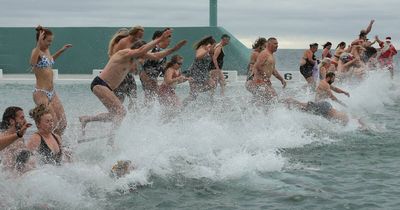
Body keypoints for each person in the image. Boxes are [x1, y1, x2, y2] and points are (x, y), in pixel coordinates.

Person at [79, 30, 173, 137]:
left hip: (118, 83)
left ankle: (87, 119)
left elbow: (153, 56)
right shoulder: (125, 51)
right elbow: (142, 54)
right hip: (107, 83)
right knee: (121, 112)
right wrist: (159, 39)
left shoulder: (133, 55)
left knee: (117, 113)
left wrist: (173, 49)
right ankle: (111, 138)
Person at [30, 26, 72, 136]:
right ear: (41, 39)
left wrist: (62, 50)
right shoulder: (36, 51)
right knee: (52, 124)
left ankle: (58, 144)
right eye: (48, 41)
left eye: (51, 41)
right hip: (41, 93)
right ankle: (49, 146)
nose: (50, 43)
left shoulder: (47, 51)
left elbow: (50, 60)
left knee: (63, 123)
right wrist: (38, 44)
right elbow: (32, 63)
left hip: (52, 93)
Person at [140, 29, 187, 105]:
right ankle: (145, 114)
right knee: (151, 98)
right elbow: (143, 57)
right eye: (168, 41)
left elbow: (162, 68)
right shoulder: (153, 48)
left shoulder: (162, 54)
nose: (168, 43)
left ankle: (150, 114)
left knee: (153, 99)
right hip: (147, 76)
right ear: (159, 39)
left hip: (153, 78)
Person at [183, 36, 217, 106]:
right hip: (195, 72)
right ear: (209, 45)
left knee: (212, 84)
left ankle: (209, 100)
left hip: (203, 72)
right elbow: (198, 56)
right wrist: (207, 50)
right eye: (214, 45)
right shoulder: (202, 48)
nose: (214, 47)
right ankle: (181, 106)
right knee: (193, 96)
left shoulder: (209, 51)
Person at [251, 37, 286, 103]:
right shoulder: (264, 53)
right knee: (273, 99)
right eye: (275, 44)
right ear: (269, 44)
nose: (277, 45)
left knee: (272, 99)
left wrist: (281, 79)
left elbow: (273, 70)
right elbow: (258, 66)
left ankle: (261, 112)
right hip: (259, 81)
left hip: (265, 82)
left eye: (277, 44)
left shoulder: (271, 55)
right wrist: (265, 78)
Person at [284, 98, 349, 125]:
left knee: (304, 109)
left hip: (325, 110)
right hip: (325, 108)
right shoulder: (346, 119)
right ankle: (287, 100)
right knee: (303, 106)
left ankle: (288, 104)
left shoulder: (345, 117)